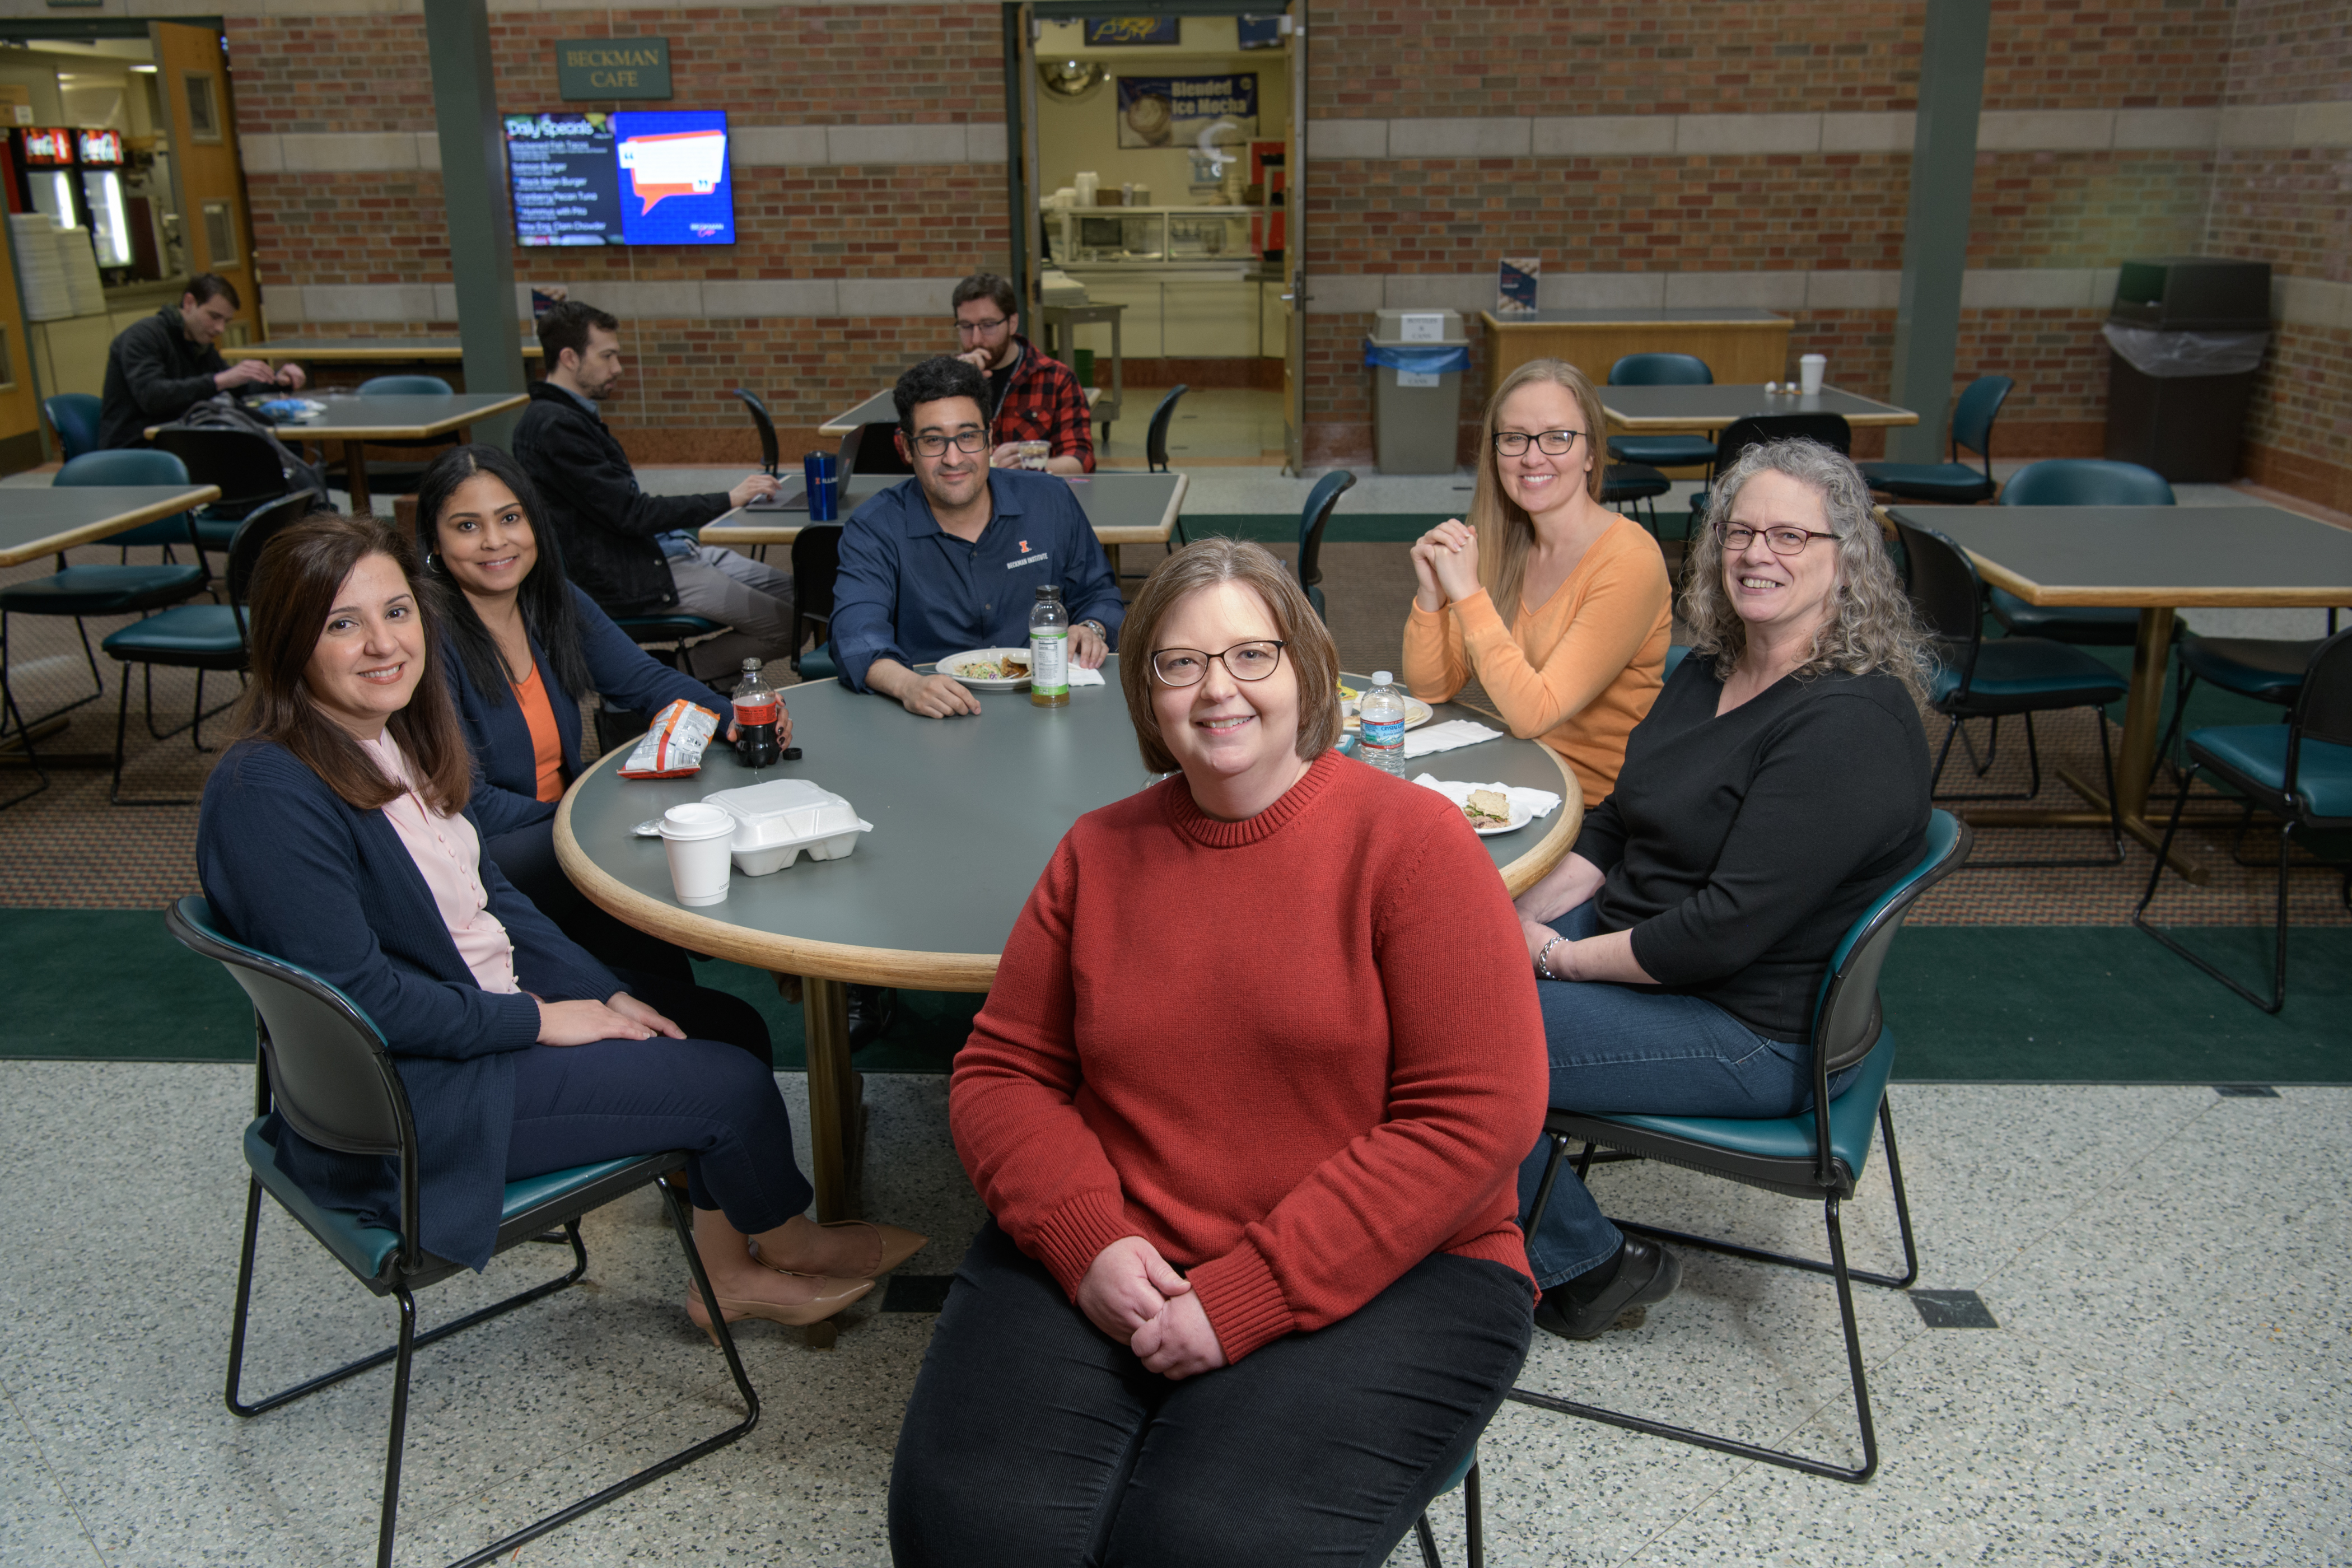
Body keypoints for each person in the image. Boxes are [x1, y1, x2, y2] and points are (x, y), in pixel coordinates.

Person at [889, 538, 1547, 1567]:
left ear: (1307, 672)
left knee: (1204, 1545)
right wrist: (1086, 1241)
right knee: (966, 1533)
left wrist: (1250, 1295)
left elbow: (1479, 1117)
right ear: (1146, 691)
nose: (1217, 690)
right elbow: (1001, 1074)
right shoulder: (1098, 852)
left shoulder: (1414, 845)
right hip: (1129, 1240)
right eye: (1180, 663)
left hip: (1401, 1261)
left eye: (1252, 655)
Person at [196, 512, 923, 1336]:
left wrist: (602, 996)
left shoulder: (383, 738)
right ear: (290, 641)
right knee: (732, 1086)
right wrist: (543, 1019)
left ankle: (734, 1262)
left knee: (722, 1024)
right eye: (343, 624)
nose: (383, 644)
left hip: (471, 1017)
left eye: (397, 613)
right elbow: (368, 1002)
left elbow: (493, 901)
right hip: (419, 1098)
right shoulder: (269, 793)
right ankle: (772, 1251)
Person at [1507, 438, 1934, 1342]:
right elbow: (1623, 821)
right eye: (1741, 531)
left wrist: (1553, 957)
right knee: (1431, 968)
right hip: (1650, 944)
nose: (1756, 554)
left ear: (1845, 556)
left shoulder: (1847, 723)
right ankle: (1480, 1204)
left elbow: (1719, 934)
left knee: (1440, 1041)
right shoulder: (1712, 666)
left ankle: (1588, 1267)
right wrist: (1518, 917)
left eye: (1789, 536)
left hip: (1747, 1024)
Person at [416, 443, 786, 988]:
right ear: (436, 542)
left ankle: (751, 944)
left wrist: (733, 717)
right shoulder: (428, 636)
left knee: (670, 977)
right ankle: (766, 946)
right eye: (467, 526)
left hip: (557, 830)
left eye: (510, 518)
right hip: (488, 854)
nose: (495, 541)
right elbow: (463, 800)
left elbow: (646, 681)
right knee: (668, 836)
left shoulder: (551, 601)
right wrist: (586, 822)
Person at [1403, 358, 1673, 806]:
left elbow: (1535, 715)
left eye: (1557, 438)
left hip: (1596, 810)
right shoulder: (1500, 545)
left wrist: (1468, 595)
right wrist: (1432, 595)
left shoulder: (1630, 560)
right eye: (1514, 439)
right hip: (1518, 778)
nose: (1532, 457)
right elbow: (1433, 688)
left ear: (1591, 454)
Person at [512, 300, 795, 680]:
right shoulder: (556, 427)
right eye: (608, 356)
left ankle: (714, 679)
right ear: (569, 358)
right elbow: (633, 513)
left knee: (803, 595)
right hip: (636, 573)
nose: (618, 368)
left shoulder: (569, 416)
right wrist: (728, 499)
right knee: (791, 626)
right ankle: (671, 675)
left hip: (662, 550)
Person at [830, 356, 1124, 718]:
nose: (954, 459)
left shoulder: (1049, 500)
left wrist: (1091, 628)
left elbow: (1101, 595)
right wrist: (908, 685)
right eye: (933, 440)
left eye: (968, 436)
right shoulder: (875, 527)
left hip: (1047, 703)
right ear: (906, 448)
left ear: (990, 436)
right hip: (933, 715)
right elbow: (855, 635)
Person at [98, 273, 306, 451]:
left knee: (280, 445)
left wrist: (277, 380)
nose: (220, 329)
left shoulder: (199, 342)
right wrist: (219, 381)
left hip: (184, 435)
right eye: (214, 317)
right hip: (138, 445)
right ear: (189, 303)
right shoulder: (143, 337)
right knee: (251, 453)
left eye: (226, 321)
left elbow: (233, 387)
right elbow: (153, 397)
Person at [950, 273, 1094, 475]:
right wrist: (952, 386)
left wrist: (1032, 464)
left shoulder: (1057, 379)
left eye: (988, 325)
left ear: (1012, 323)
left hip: (1031, 498)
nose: (976, 340)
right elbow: (905, 449)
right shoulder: (948, 380)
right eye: (966, 327)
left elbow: (1082, 461)